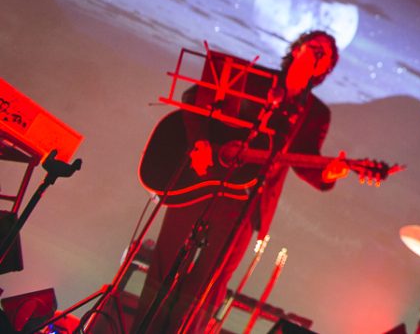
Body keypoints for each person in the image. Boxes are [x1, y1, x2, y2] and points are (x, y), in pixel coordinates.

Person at [134, 30, 348, 334]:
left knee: (209, 282)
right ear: (296, 49)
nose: (317, 54)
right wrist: (199, 143)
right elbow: (193, 98)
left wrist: (328, 172)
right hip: (201, 179)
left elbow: (305, 158)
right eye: (313, 46)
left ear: (326, 68)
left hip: (247, 201)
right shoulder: (253, 77)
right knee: (165, 264)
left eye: (325, 55)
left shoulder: (315, 113)